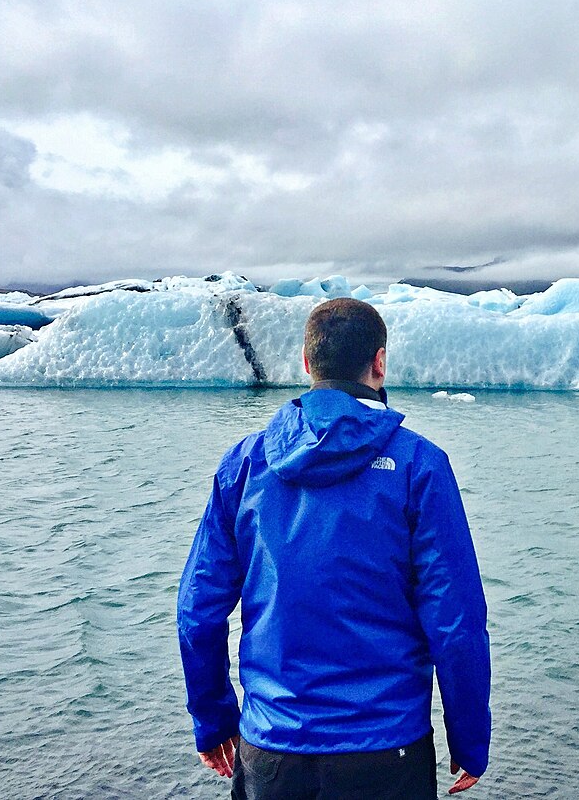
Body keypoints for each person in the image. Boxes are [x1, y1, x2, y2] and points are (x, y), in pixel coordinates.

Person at [177, 298, 491, 799]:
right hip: (387, 747)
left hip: (273, 746)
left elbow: (198, 610)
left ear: (307, 363)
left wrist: (213, 720)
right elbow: (456, 621)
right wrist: (469, 737)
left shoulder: (246, 464)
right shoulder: (420, 465)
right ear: (379, 362)